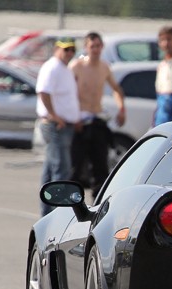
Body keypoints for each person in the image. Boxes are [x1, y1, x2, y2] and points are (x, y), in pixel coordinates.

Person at [69, 32, 126, 197]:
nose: (95, 49)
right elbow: (68, 94)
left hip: (96, 119)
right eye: (92, 46)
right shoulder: (77, 67)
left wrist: (122, 109)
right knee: (76, 167)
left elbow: (117, 89)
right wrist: (74, 117)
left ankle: (97, 202)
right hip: (80, 121)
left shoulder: (104, 67)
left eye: (98, 46)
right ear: (86, 47)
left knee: (100, 166)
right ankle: (70, 203)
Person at [35, 38, 81, 216]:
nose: (69, 53)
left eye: (72, 50)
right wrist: (55, 116)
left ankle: (47, 213)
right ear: (57, 49)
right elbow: (43, 92)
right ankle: (55, 215)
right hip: (56, 126)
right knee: (61, 169)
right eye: (66, 49)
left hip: (63, 125)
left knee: (51, 169)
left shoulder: (64, 68)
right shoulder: (52, 66)